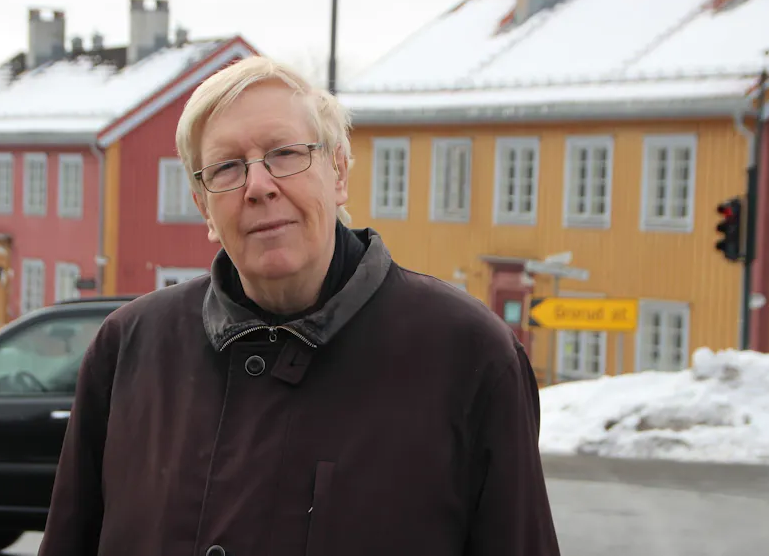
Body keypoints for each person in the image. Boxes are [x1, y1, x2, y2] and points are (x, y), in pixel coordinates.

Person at [37, 56, 560, 556]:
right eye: (226, 168)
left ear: (338, 172)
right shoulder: (129, 351)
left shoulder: (467, 357)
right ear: (204, 206)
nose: (259, 186)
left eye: (285, 154)